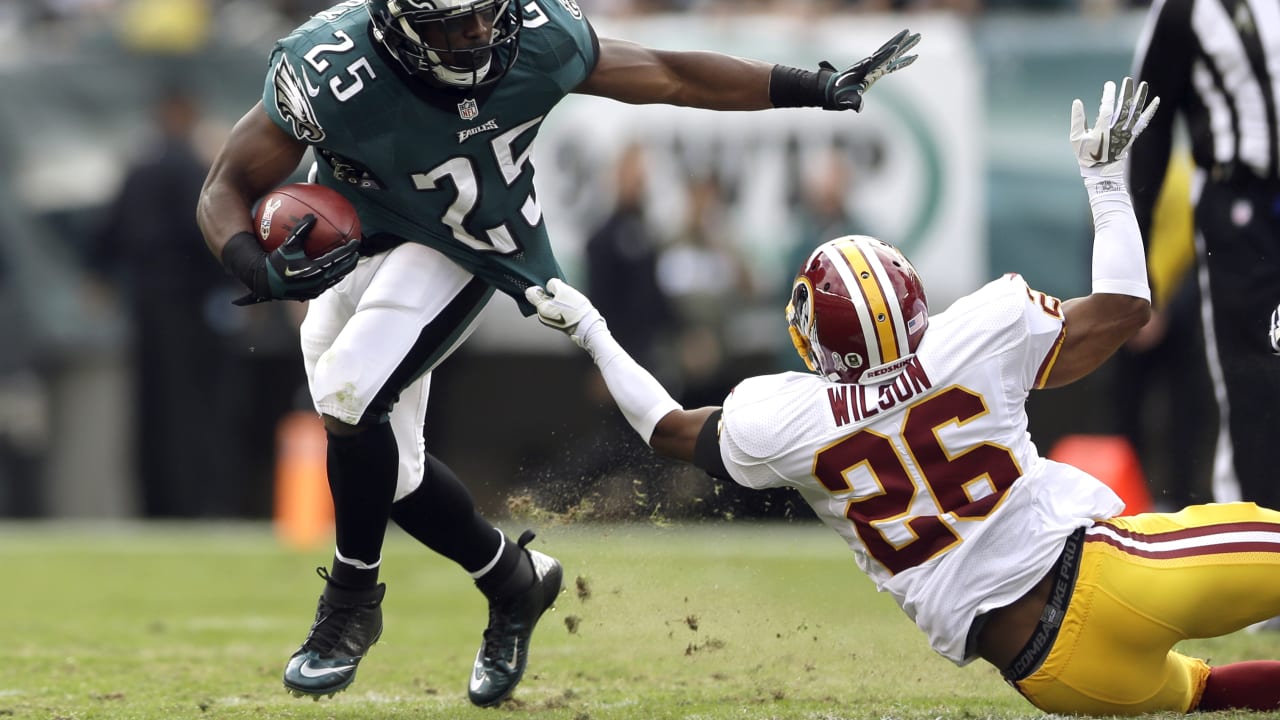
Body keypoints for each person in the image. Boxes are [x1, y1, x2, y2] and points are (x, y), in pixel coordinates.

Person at [195, 0, 921, 706]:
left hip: (472, 246)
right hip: (364, 246)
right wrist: (252, 267)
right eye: (455, 24)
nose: (481, 33)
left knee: (351, 399)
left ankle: (351, 603)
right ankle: (514, 580)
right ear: (398, 28)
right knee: (393, 471)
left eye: (488, 12)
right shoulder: (333, 69)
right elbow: (224, 184)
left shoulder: (538, 38)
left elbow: (674, 74)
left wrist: (813, 85)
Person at [528, 79, 1280, 716]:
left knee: (1210, 694)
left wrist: (595, 331)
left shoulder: (791, 422)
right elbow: (1123, 309)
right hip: (1110, 577)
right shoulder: (974, 335)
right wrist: (1108, 186)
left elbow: (663, 428)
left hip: (1051, 676)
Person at [1129, 0, 1280, 510]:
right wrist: (1136, 268)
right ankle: (1257, 547)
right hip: (1242, 211)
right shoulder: (1186, 9)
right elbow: (1146, 124)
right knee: (1254, 381)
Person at [88, 86, 243, 518]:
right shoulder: (193, 168)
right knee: (194, 407)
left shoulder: (141, 165)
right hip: (191, 304)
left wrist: (99, 275)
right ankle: (194, 503)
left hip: (146, 301)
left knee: (152, 407)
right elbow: (209, 230)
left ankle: (157, 504)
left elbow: (109, 234)